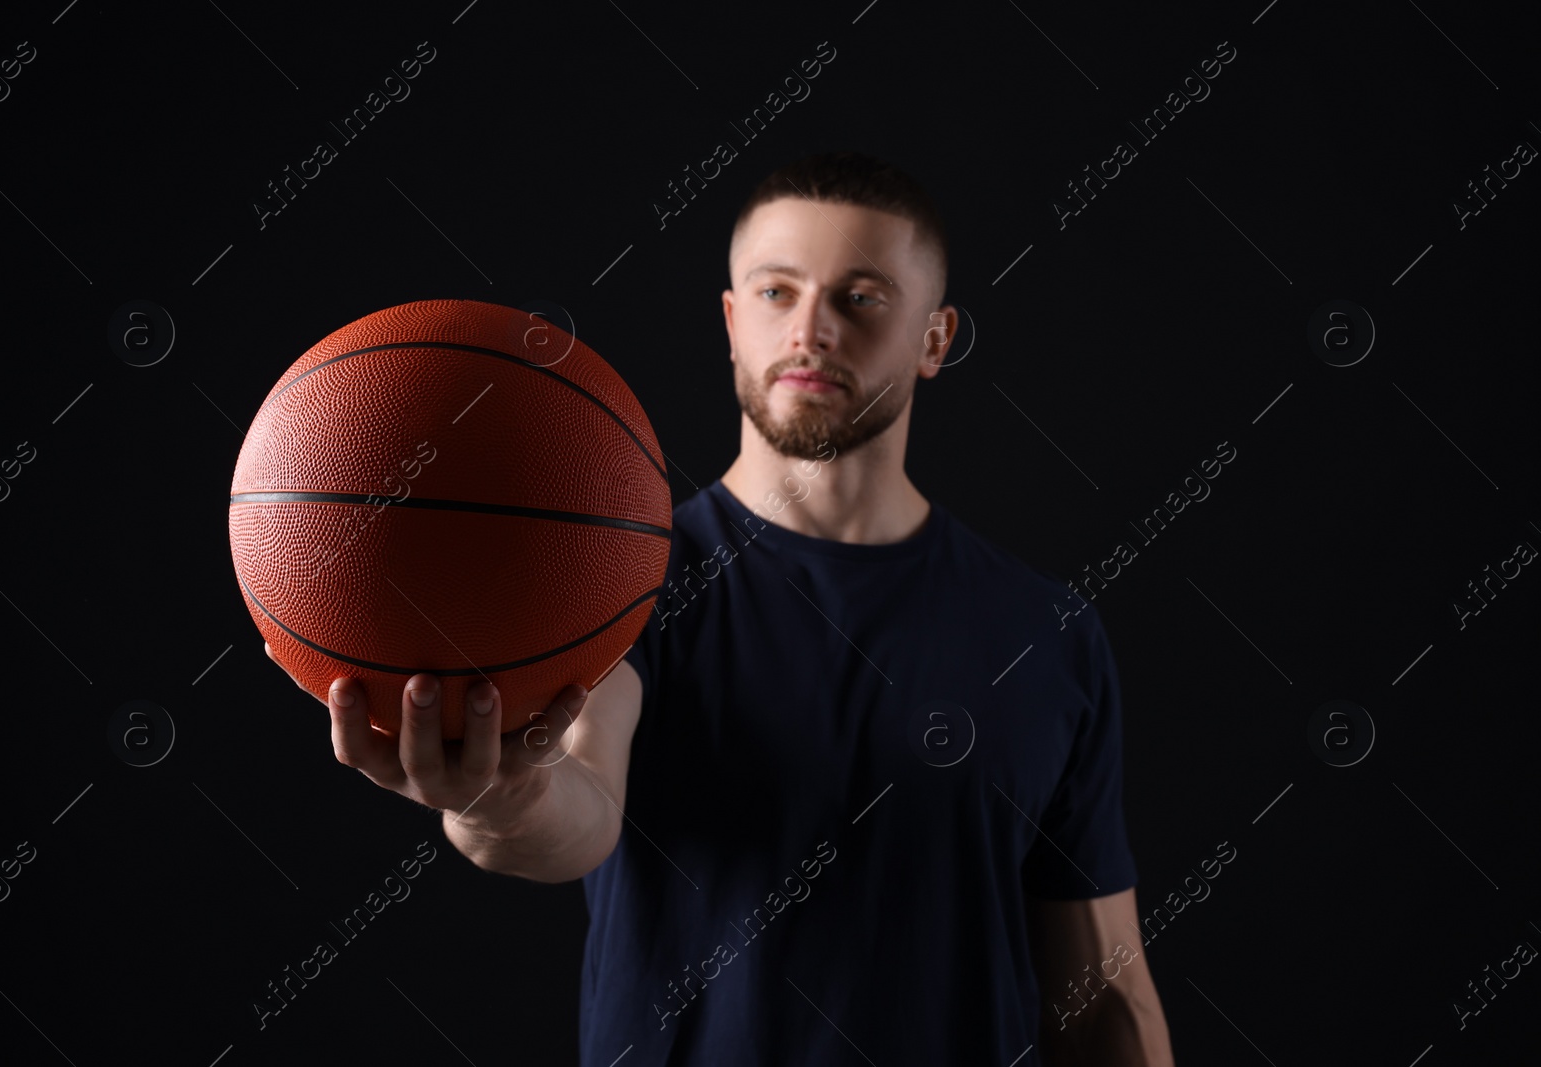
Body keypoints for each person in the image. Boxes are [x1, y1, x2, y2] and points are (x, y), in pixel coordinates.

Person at [269, 150, 1175, 1065]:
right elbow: (578, 809)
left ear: (935, 339)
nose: (811, 330)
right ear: (733, 321)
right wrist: (502, 796)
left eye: (860, 297)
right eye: (777, 293)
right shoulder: (624, 586)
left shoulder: (1046, 631)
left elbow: (1102, 997)